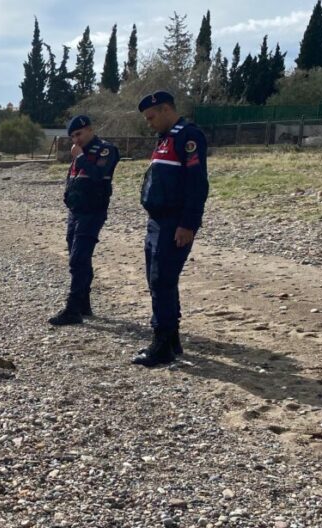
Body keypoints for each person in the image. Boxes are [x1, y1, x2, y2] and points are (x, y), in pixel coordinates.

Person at [133, 91, 209, 367]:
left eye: (152, 117)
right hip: (156, 222)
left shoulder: (187, 136)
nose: (149, 123)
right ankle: (172, 339)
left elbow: (197, 184)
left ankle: (161, 343)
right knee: (157, 280)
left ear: (166, 110)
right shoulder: (164, 139)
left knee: (162, 280)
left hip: (174, 223)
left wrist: (188, 224)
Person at [48, 115, 120, 326]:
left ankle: (72, 308)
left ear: (89, 130)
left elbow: (98, 174)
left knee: (79, 257)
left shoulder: (105, 150)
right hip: (76, 211)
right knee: (77, 256)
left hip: (92, 211)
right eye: (72, 136)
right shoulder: (79, 153)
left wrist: (80, 158)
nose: (76, 140)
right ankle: (84, 303)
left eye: (78, 134)